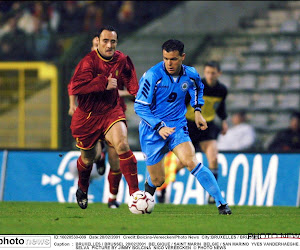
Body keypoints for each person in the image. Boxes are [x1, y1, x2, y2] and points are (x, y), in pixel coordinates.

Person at [134, 39, 232, 215]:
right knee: (158, 180)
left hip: (178, 126)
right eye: (166, 59)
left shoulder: (191, 74)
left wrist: (197, 110)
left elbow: (197, 88)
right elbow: (140, 106)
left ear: (182, 57)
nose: (169, 63)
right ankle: (147, 197)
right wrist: (158, 127)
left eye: (173, 59)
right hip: (152, 130)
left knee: (190, 161)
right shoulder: (152, 75)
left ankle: (221, 203)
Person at [68, 25, 140, 210]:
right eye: (105, 41)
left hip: (110, 111)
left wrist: (138, 95)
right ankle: (82, 188)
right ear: (98, 42)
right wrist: (102, 82)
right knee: (87, 159)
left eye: (113, 41)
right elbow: (76, 87)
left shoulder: (121, 59)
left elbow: (131, 78)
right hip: (87, 117)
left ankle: (135, 195)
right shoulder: (87, 62)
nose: (109, 45)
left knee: (122, 145)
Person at [156, 60, 229, 204]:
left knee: (213, 157)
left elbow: (220, 107)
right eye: (207, 72)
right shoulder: (196, 85)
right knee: (182, 163)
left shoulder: (222, 90)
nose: (209, 75)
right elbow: (181, 102)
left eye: (213, 73)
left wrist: (224, 121)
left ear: (218, 74)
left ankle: (212, 195)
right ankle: (162, 188)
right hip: (189, 125)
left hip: (207, 126)